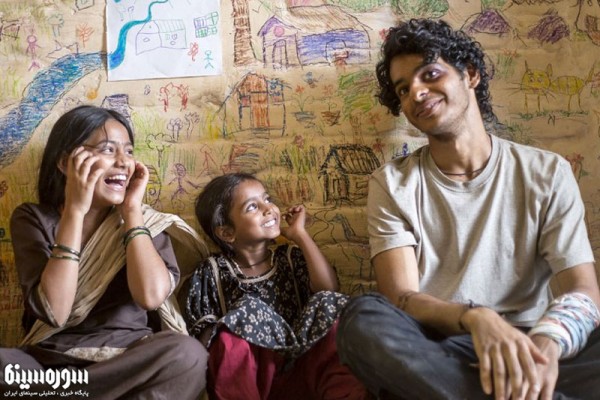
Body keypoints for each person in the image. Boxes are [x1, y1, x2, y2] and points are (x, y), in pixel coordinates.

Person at [335, 18, 600, 400]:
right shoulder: (392, 184)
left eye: (430, 74)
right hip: (443, 347)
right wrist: (476, 317)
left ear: (470, 74)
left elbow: (583, 290)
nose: (417, 93)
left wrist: (546, 347)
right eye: (404, 89)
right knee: (361, 320)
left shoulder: (547, 172)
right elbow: (401, 296)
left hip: (533, 343)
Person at [0, 105, 209, 399]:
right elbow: (55, 312)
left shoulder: (148, 222)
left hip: (128, 362)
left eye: (129, 151)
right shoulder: (34, 218)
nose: (123, 162)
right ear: (65, 162)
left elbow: (150, 297)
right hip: (51, 365)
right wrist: (75, 210)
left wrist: (132, 212)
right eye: (108, 150)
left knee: (188, 355)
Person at [179, 172, 369, 400]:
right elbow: (205, 339)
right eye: (252, 207)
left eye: (267, 199)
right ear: (227, 232)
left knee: (329, 302)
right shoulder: (212, 271)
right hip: (257, 381)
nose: (268, 208)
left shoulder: (290, 257)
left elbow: (328, 288)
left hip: (304, 370)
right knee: (241, 316)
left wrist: (299, 235)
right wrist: (245, 325)